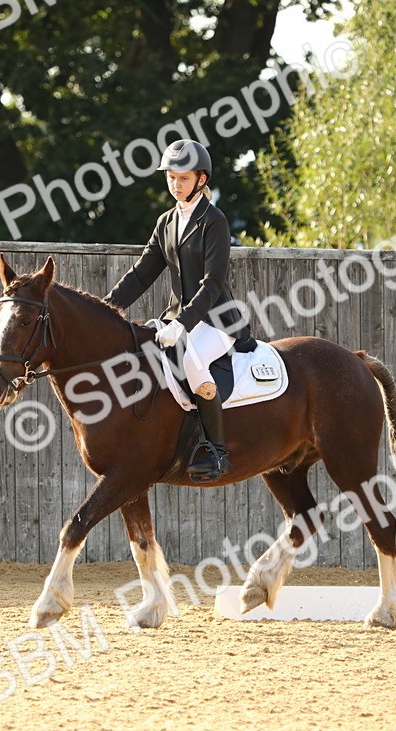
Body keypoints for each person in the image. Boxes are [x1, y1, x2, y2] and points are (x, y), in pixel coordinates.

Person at [103, 139, 255, 482]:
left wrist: (182, 324)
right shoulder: (166, 222)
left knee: (190, 362)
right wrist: (106, 307)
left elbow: (212, 283)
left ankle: (216, 450)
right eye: (171, 177)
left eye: (182, 178)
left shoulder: (214, 221)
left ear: (201, 179)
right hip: (179, 318)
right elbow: (142, 273)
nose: (175, 184)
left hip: (217, 320)